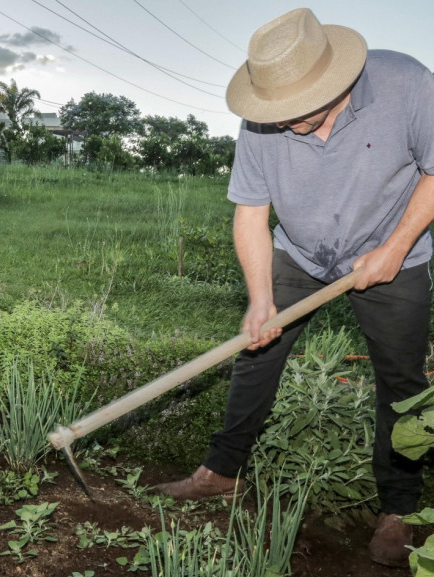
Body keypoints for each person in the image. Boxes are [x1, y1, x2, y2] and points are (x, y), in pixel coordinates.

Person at [154, 7, 434, 568]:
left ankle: (400, 508)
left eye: (295, 112)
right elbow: (251, 212)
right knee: (257, 352)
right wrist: (261, 300)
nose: (281, 123)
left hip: (392, 253)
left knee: (402, 382)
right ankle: (222, 472)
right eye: (274, 112)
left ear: (337, 81)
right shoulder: (264, 118)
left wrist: (395, 248)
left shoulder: (407, 85)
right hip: (301, 251)